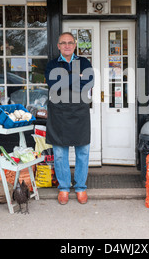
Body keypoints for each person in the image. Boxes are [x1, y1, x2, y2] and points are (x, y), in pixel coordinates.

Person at [45, 32, 94, 205]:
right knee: (59, 154)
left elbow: (88, 83)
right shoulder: (51, 65)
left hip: (80, 113)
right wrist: (76, 79)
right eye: (63, 43)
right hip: (58, 113)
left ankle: (81, 187)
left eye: (70, 43)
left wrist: (65, 80)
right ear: (58, 46)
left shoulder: (85, 62)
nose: (67, 45)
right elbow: (54, 86)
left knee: (83, 152)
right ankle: (64, 188)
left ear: (75, 45)